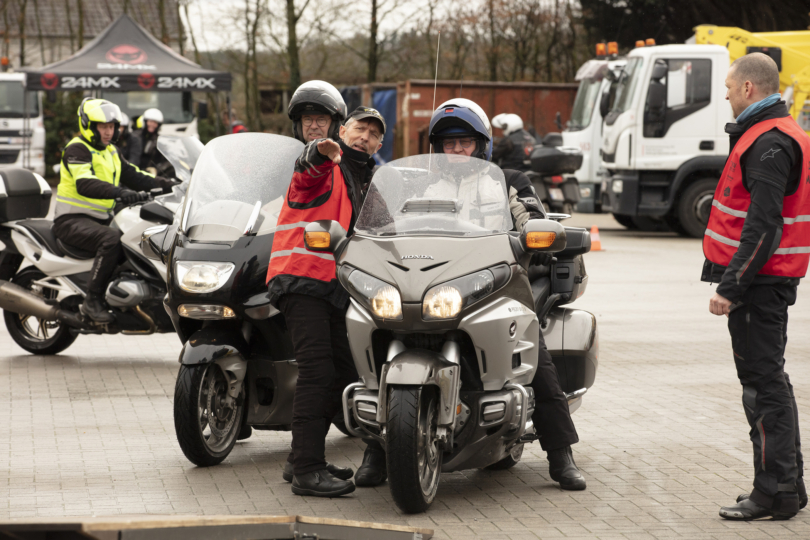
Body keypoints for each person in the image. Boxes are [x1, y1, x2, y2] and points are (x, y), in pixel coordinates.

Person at [426, 98, 587, 490]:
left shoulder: (508, 180)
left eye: (464, 141)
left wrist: (535, 229)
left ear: (481, 143)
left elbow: (532, 217)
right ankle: (381, 452)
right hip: (441, 284)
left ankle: (560, 454)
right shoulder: (427, 184)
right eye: (449, 144)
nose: (457, 150)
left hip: (499, 282)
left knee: (536, 359)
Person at [266, 79, 388, 497]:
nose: (366, 136)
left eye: (374, 134)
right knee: (318, 372)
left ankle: (300, 458)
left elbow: (389, 229)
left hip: (336, 288)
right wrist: (319, 151)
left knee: (345, 375)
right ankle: (306, 471)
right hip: (302, 278)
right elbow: (307, 166)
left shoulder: (368, 181)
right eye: (309, 120)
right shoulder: (323, 166)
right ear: (342, 130)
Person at [703, 53, 810, 521]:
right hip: (769, 281)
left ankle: (772, 493)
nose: (724, 93)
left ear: (749, 88)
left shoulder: (768, 142)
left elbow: (762, 226)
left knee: (762, 387)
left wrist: (731, 287)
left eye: (729, 86)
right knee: (771, 383)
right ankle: (788, 487)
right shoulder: (776, 135)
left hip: (759, 285)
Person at [52, 98, 176, 323]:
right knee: (110, 239)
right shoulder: (77, 149)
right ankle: (92, 300)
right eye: (103, 127)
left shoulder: (111, 151)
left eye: (112, 127)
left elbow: (136, 175)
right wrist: (120, 192)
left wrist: (173, 184)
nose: (109, 132)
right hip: (70, 220)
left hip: (100, 218)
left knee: (134, 236)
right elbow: (85, 183)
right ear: (89, 126)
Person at [129, 108, 165, 172]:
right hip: (133, 170)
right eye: (150, 121)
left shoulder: (159, 140)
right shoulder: (135, 136)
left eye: (155, 123)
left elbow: (161, 159)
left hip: (149, 173)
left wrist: (156, 169)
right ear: (145, 122)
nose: (152, 124)